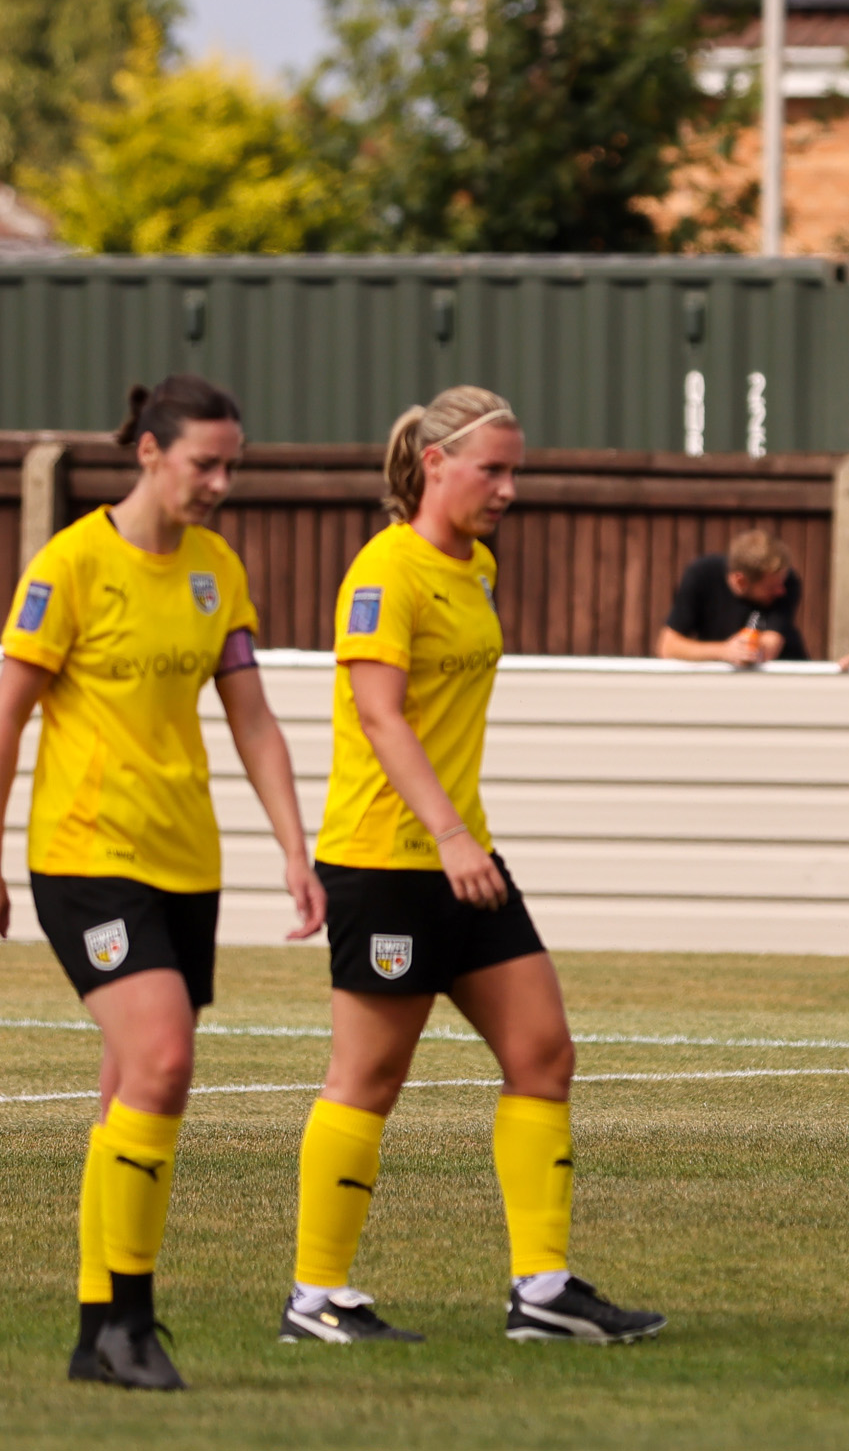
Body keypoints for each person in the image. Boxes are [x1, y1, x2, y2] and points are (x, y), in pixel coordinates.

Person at [283, 386, 664, 1347]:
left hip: (463, 857)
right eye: (492, 469)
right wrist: (451, 835)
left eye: (514, 470)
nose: (507, 488)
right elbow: (380, 717)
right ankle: (315, 1297)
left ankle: (543, 1290)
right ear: (434, 463)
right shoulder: (385, 569)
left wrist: (463, 842)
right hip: (387, 860)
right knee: (368, 1076)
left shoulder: (477, 566)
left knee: (543, 1052)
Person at [1, 377, 322, 1390]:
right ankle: (132, 1323)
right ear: (148, 451)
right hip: (86, 858)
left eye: (232, 465)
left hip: (185, 862)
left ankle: (94, 1331)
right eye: (203, 463)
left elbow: (252, 718)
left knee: (127, 1087)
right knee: (165, 1058)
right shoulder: (70, 565)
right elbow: (6, 713)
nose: (220, 482)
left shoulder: (216, 569)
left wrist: (296, 847)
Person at [656, 530, 849, 670]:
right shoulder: (701, 575)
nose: (781, 591)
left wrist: (746, 651)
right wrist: (724, 651)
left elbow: (770, 646)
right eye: (771, 587)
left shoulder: (788, 582)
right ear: (741, 581)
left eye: (782, 583)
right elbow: (668, 646)